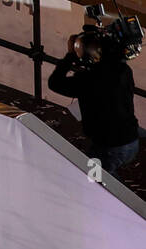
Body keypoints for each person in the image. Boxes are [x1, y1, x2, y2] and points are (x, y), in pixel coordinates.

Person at [47, 31, 140, 176]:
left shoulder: (87, 80)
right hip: (131, 141)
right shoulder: (123, 70)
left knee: (96, 180)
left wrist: (70, 55)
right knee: (104, 175)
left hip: (109, 147)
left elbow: (55, 83)